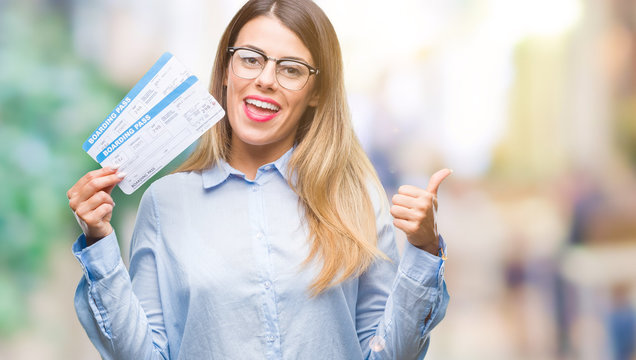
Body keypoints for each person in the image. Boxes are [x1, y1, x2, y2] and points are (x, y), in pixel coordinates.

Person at [66, 0, 450, 358]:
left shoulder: (357, 197)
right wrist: (99, 241)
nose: (266, 79)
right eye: (250, 59)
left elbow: (388, 352)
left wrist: (424, 249)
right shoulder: (165, 202)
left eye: (291, 69)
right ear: (226, 72)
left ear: (316, 92)